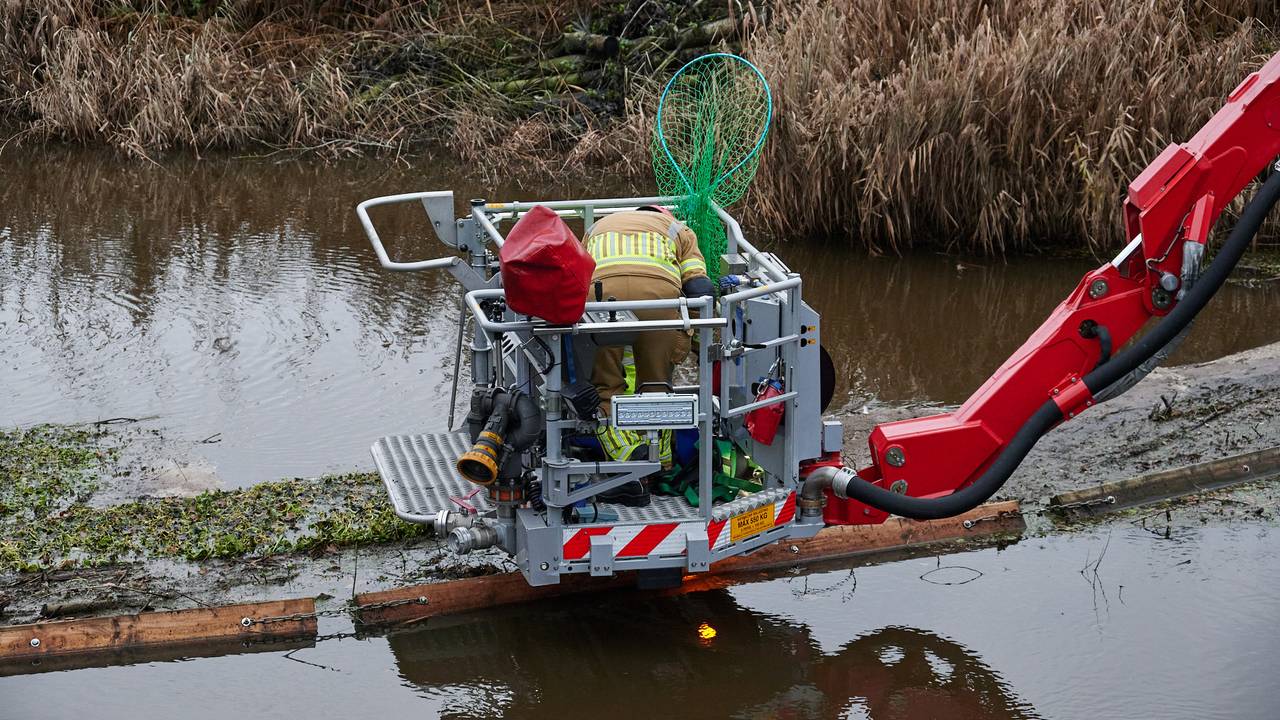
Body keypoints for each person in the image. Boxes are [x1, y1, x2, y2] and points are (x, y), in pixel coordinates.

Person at [583, 205, 715, 505]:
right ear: (663, 214)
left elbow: (578, 270)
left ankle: (626, 458)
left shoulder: (597, 227)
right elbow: (698, 284)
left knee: (605, 386)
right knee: (658, 385)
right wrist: (694, 332)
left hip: (603, 296)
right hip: (657, 293)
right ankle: (660, 466)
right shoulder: (677, 229)